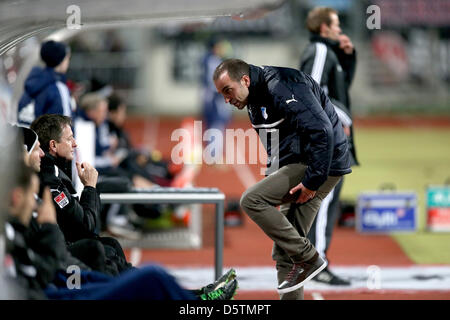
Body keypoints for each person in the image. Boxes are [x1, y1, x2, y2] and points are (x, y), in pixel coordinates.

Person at [4, 149, 239, 300]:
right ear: (16, 197)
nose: (42, 155)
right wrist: (49, 227)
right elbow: (47, 269)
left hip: (69, 281)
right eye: (36, 150)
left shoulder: (17, 229)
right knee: (150, 277)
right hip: (66, 291)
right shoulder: (14, 234)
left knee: (126, 269)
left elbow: (47, 266)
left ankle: (197, 297)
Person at [213, 59, 352, 300]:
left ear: (244, 80)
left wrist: (311, 182)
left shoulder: (283, 84)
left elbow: (322, 131)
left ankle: (309, 258)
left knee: (251, 200)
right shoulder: (253, 102)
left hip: (321, 164)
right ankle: (303, 259)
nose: (227, 99)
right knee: (285, 254)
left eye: (228, 91)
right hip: (303, 163)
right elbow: (273, 148)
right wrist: (274, 184)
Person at [299, 6, 359, 285]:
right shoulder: (320, 51)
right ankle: (316, 265)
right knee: (322, 200)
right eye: (336, 25)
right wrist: (339, 119)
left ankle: (312, 260)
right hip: (326, 140)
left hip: (329, 137)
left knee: (324, 200)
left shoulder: (327, 52)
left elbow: (337, 88)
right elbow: (310, 90)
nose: (339, 29)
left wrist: (348, 58)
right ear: (324, 28)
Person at [30, 114, 133, 275]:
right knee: (100, 249)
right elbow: (85, 228)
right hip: (64, 260)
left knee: (111, 245)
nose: (75, 144)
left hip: (68, 248)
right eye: (70, 139)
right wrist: (90, 187)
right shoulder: (50, 181)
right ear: (53, 145)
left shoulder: (56, 173)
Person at [17, 40, 74, 127]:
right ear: (60, 60)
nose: (68, 62)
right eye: (67, 58)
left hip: (27, 138)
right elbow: (64, 127)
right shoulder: (59, 88)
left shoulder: (31, 84)